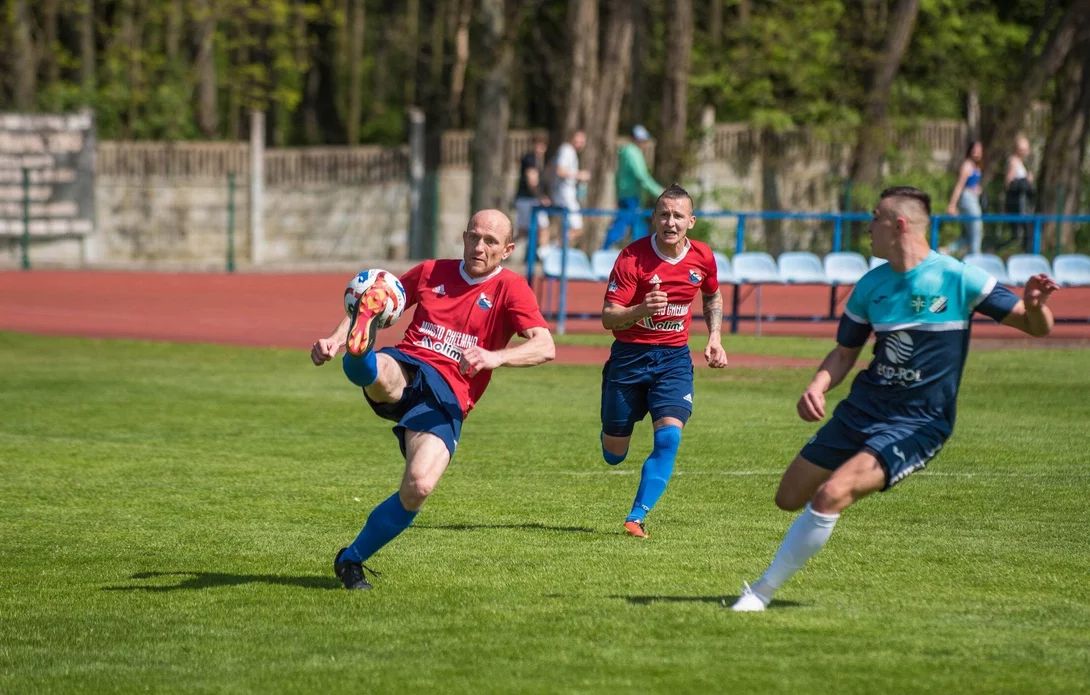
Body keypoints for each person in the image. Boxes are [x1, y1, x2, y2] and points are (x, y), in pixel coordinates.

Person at [731, 186, 1059, 611]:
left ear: (898, 225)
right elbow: (845, 352)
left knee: (831, 494)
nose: (867, 229)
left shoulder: (960, 278)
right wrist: (817, 385)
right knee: (788, 497)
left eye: (874, 219)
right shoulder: (872, 285)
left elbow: (1037, 327)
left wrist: (1034, 306)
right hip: (862, 409)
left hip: (919, 421)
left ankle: (760, 592)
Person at [310, 209, 556, 590]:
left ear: (507, 250)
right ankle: (359, 355)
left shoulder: (512, 288)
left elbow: (545, 345)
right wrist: (335, 338)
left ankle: (350, 559)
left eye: (490, 241)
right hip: (411, 363)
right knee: (385, 372)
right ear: (463, 237)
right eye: (474, 236)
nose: (479, 246)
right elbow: (379, 297)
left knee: (419, 486)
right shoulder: (430, 271)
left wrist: (495, 357)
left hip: (451, 395)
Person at [599, 183, 729, 538]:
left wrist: (714, 337)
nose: (670, 222)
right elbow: (609, 317)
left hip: (673, 359)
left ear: (691, 221)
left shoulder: (703, 257)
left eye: (678, 216)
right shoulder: (631, 258)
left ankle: (636, 517)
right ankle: (613, 419)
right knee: (614, 452)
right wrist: (642, 309)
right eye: (664, 215)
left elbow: (712, 296)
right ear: (654, 218)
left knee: (669, 438)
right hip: (629, 357)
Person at [602, 125, 664, 249]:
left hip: (628, 196)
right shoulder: (632, 152)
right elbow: (641, 176)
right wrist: (660, 192)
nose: (644, 143)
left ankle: (606, 249)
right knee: (634, 227)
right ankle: (607, 251)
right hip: (630, 198)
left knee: (633, 226)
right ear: (635, 140)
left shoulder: (627, 151)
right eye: (642, 140)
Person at [944, 141, 985, 256]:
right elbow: (959, 185)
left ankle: (947, 250)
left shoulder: (975, 166)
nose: (976, 153)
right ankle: (976, 258)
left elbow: (971, 183)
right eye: (974, 150)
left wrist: (977, 188)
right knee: (977, 231)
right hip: (967, 200)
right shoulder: (967, 165)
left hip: (973, 198)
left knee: (968, 236)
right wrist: (952, 204)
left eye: (979, 151)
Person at [552, 130, 590, 247]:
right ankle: (549, 249)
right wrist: (580, 175)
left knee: (568, 228)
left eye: (582, 141)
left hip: (568, 193)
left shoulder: (570, 151)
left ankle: (556, 250)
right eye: (577, 140)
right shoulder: (566, 150)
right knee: (577, 228)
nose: (580, 144)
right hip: (565, 194)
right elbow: (560, 171)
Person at [514, 134, 552, 247]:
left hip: (524, 199)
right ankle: (545, 255)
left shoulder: (536, 160)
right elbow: (532, 180)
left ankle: (501, 251)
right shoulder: (530, 159)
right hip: (528, 199)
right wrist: (541, 197)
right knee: (543, 228)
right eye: (539, 145)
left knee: (523, 232)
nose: (542, 149)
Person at [1004, 135, 1036, 252]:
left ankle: (1026, 255)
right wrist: (1025, 181)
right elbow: (1008, 183)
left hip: (1024, 203)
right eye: (1021, 149)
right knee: (1018, 235)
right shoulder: (1013, 161)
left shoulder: (1023, 162)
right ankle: (995, 249)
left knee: (1026, 233)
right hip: (1017, 204)